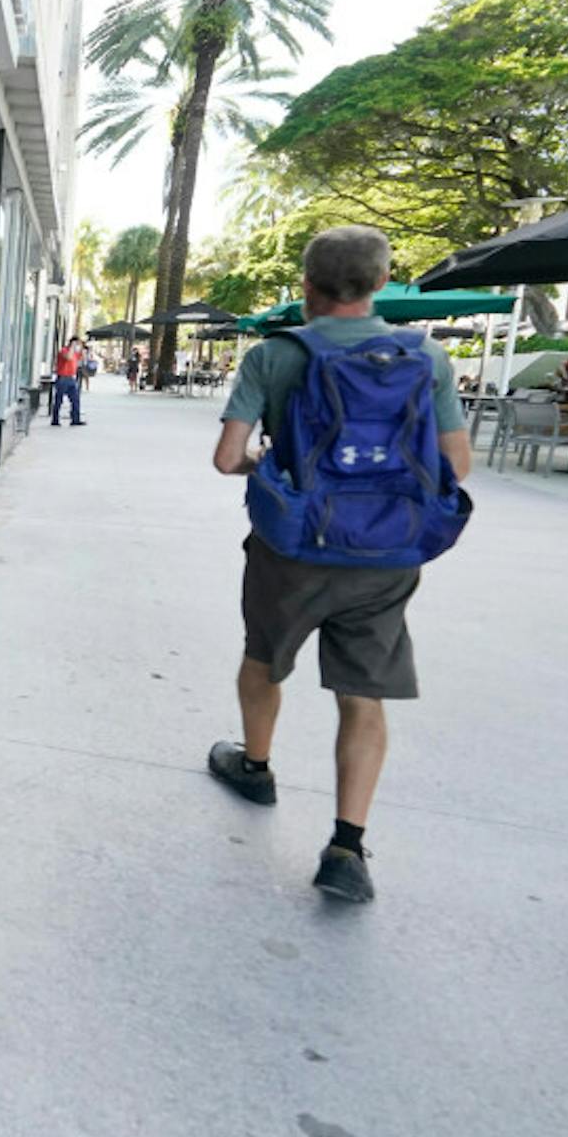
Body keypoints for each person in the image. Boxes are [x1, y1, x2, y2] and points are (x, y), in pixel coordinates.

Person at [207, 225, 472, 903]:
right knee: (364, 696)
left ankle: (257, 766)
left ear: (307, 284)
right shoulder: (428, 359)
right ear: (381, 283)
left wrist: (270, 463)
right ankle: (346, 846)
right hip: (385, 553)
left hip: (294, 547)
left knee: (264, 656)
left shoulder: (275, 355)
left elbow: (228, 457)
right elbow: (457, 466)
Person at [49, 337, 85, 426]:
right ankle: (55, 419)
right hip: (63, 378)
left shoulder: (75, 354)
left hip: (71, 378)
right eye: (77, 344)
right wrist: (72, 348)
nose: (78, 346)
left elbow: (82, 358)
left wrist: (82, 349)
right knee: (59, 400)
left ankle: (75, 419)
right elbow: (68, 358)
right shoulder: (64, 351)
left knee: (75, 400)